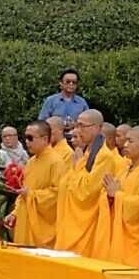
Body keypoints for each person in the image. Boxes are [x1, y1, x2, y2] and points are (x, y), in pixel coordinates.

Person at [53, 110, 119, 259]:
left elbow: (86, 193)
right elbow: (67, 183)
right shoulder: (87, 153)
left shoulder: (104, 156)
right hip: (71, 221)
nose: (77, 130)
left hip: (85, 224)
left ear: (97, 128)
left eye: (82, 126)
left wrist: (76, 168)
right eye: (77, 125)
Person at [4, 120, 67, 248]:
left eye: (30, 138)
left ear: (45, 139)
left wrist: (32, 194)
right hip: (24, 219)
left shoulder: (56, 162)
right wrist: (14, 213)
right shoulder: (31, 162)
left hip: (42, 226)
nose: (26, 142)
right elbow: (24, 192)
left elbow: (58, 194)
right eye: (25, 137)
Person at [104, 126, 139, 268]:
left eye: (130, 141)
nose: (125, 144)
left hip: (138, 240)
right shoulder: (125, 169)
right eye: (126, 140)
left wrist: (117, 195)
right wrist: (109, 197)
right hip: (119, 235)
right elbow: (112, 195)